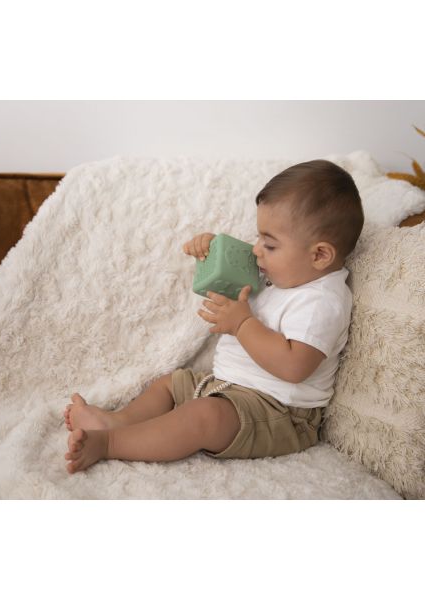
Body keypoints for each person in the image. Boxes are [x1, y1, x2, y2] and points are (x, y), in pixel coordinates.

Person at [63, 159, 364, 474]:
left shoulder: (322, 301)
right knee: (171, 384)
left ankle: (110, 443)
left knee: (204, 417)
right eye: (259, 238)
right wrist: (214, 250)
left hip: (279, 412)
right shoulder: (285, 272)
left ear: (319, 255)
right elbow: (237, 274)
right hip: (225, 386)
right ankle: (116, 421)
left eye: (270, 244)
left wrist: (243, 324)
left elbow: (294, 366)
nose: (257, 250)